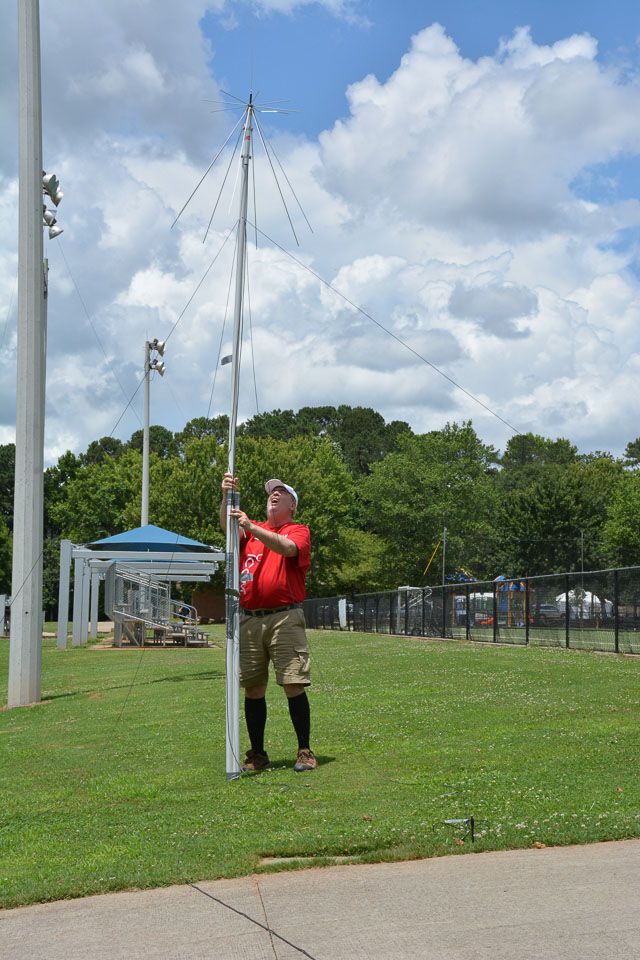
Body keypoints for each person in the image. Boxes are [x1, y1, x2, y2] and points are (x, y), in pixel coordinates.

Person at [219, 471, 318, 773]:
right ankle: (257, 755)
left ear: (292, 504)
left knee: (292, 683)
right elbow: (227, 529)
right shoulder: (251, 531)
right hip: (250, 619)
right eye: (271, 492)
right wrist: (226, 497)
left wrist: (251, 527)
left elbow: (288, 548)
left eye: (281, 492)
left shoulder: (297, 530)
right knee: (252, 688)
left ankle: (304, 751)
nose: (274, 494)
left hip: (284, 617)